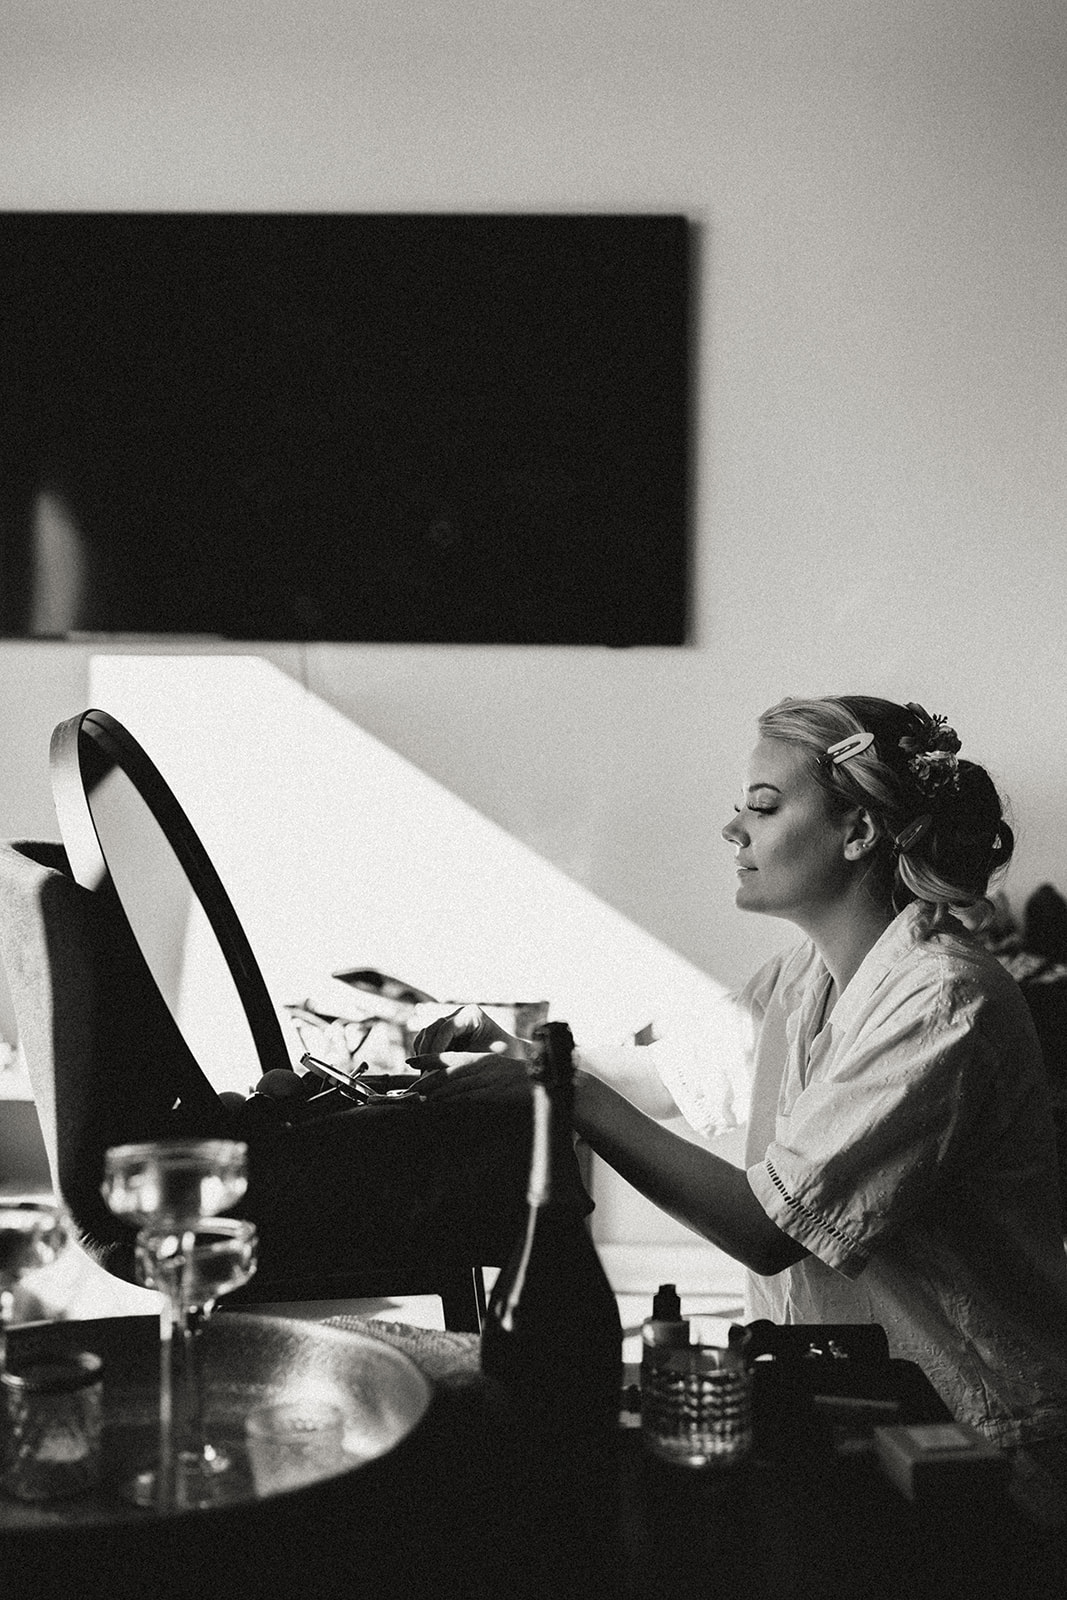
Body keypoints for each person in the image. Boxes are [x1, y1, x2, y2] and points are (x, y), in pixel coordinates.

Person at [412, 694, 1067, 1454]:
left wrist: (565, 1091)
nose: (733, 829)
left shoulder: (944, 1001)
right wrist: (523, 1055)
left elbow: (766, 1229)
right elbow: (659, 1078)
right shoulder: (803, 977)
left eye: (762, 806)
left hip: (975, 1435)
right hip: (857, 1406)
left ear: (857, 831)